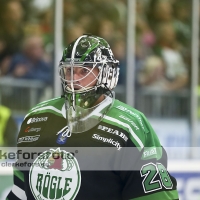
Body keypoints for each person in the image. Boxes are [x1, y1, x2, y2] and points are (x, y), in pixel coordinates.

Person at [6, 34, 179, 200]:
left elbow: (155, 195)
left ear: (106, 74)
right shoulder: (37, 117)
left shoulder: (130, 125)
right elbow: (20, 191)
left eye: (84, 71)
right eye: (69, 71)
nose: (74, 79)